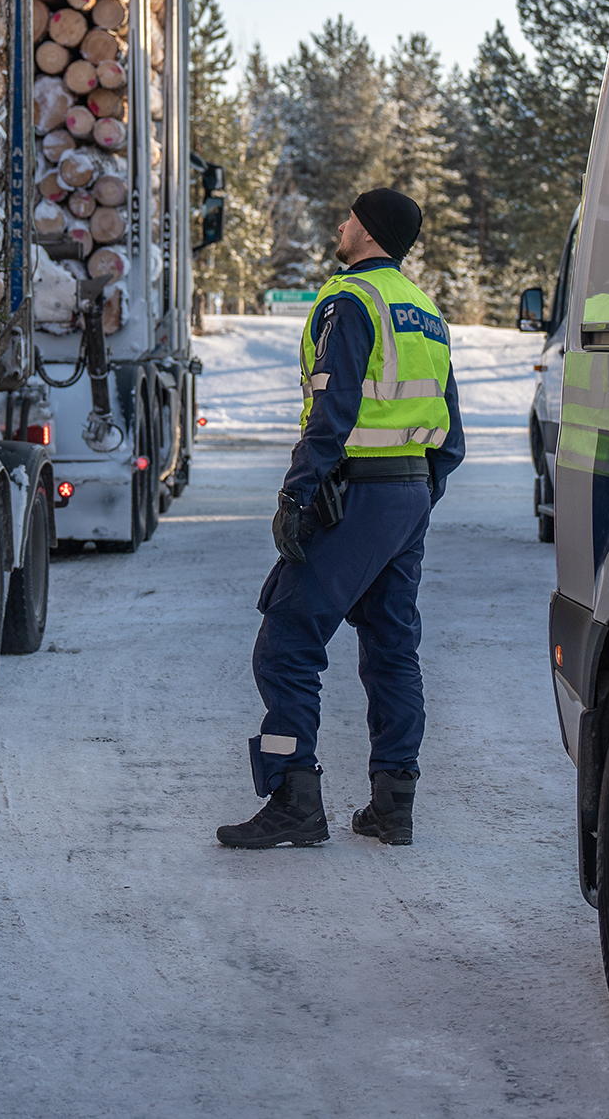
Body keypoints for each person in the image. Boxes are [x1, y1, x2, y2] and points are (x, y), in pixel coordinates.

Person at [216, 188, 464, 850]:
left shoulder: (351, 301)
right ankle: (394, 803)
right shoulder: (425, 311)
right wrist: (412, 498)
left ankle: (294, 794)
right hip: (407, 494)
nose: (340, 223)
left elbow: (333, 407)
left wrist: (298, 495)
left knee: (289, 636)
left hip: (356, 491)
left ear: (371, 231)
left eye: (350, 216)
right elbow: (453, 434)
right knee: (392, 643)